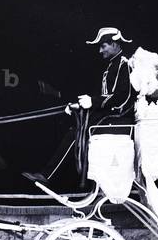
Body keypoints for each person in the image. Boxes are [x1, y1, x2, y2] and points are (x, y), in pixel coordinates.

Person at [23, 27, 141, 187]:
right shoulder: (112, 66)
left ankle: (47, 176)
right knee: (75, 129)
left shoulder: (124, 65)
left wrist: (92, 102)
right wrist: (78, 106)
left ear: (114, 44)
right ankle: (51, 176)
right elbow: (106, 97)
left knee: (75, 134)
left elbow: (122, 97)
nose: (100, 51)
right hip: (110, 119)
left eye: (103, 46)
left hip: (119, 120)